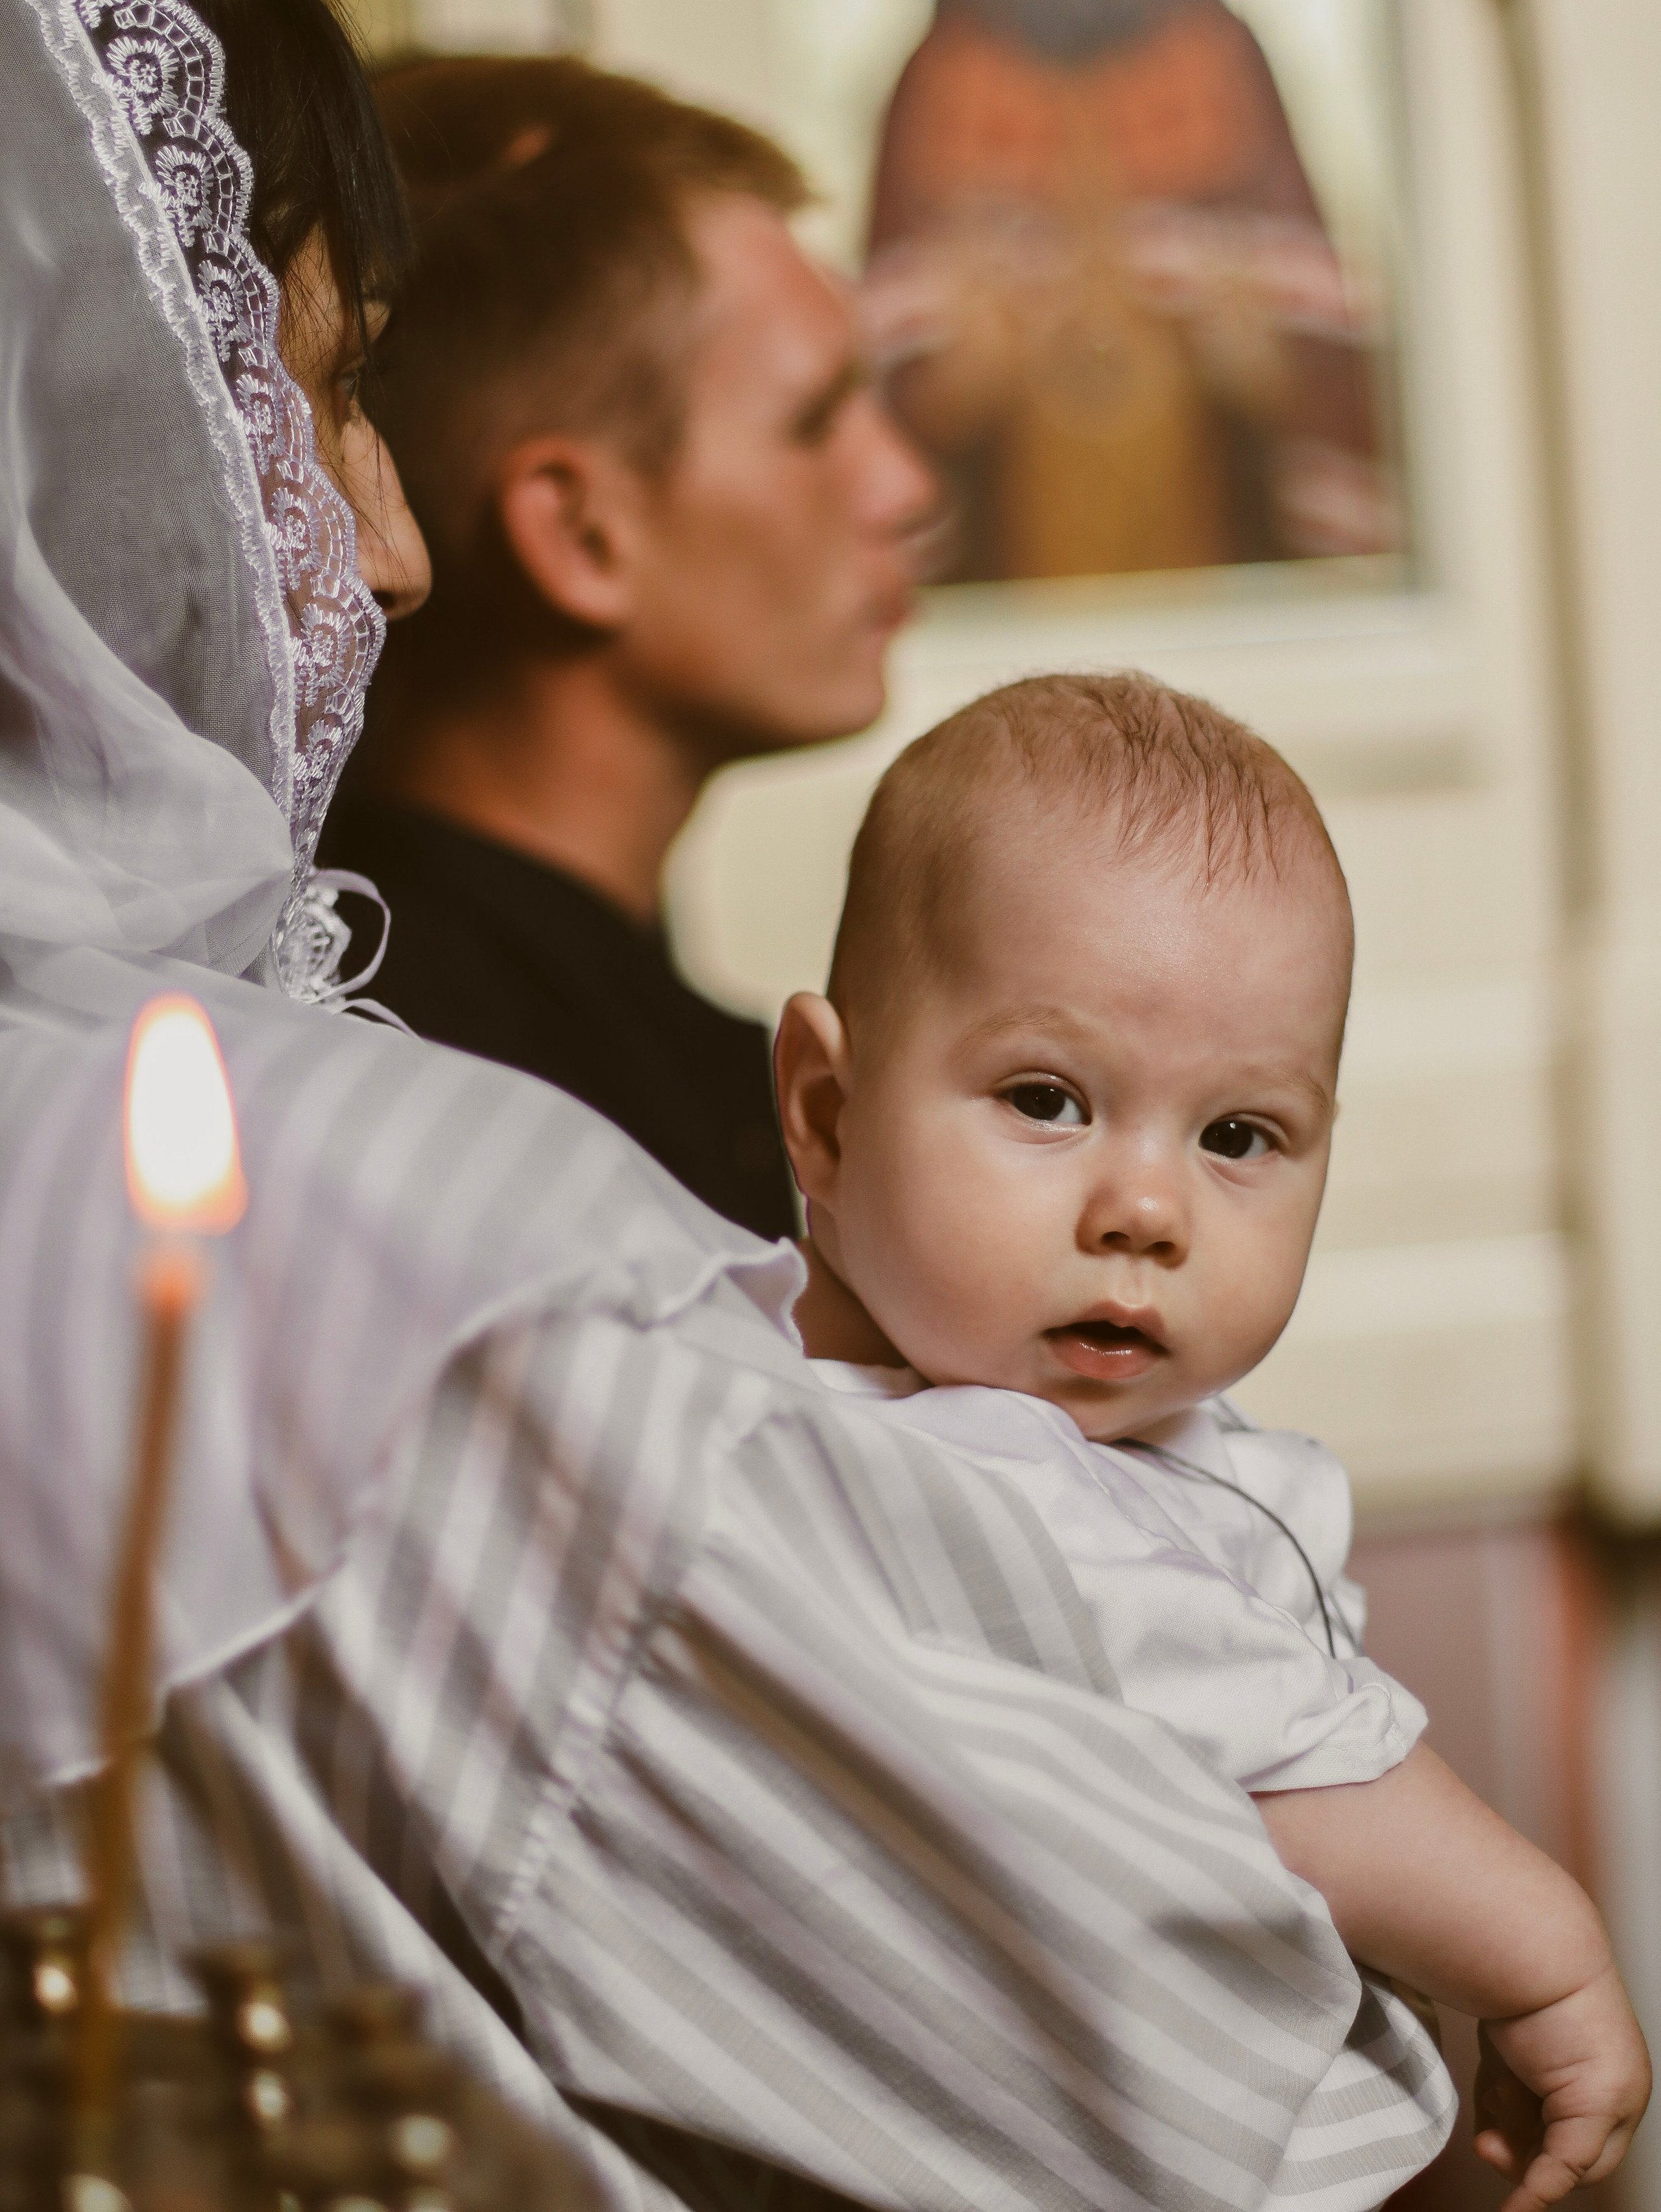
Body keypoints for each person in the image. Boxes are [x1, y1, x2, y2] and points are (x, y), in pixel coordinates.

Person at [0, 3, 1464, 2206]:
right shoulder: (475, 1222)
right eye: (320, 394)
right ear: (823, 1112)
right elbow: (1218, 2099)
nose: (389, 546)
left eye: (1241, 1135)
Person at [772, 671, 1651, 2207]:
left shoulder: (1135, 1438)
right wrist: (1542, 1947)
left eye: (1236, 1134)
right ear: (829, 1114)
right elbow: (1283, 1769)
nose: (1144, 1210)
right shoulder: (937, 1476)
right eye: (1046, 1099)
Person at [317, 58, 936, 1240]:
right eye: (814, 420)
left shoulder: (573, 1014)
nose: (905, 486)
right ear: (579, 531)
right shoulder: (479, 1117)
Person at [865, 0, 1397, 581]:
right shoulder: (946, 74)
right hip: (1014, 562)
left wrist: (1270, 369)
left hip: (1214, 557)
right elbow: (886, 404)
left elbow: (1328, 391)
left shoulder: (1217, 57)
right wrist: (946, 397)